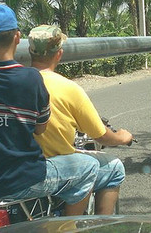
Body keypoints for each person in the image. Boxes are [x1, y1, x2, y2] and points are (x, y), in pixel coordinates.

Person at [0, 4, 100, 216]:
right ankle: (70, 227)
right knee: (89, 167)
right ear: (17, 37)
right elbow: (40, 129)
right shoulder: (30, 79)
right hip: (22, 178)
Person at [28, 24, 134, 215]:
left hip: (24, 165)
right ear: (59, 54)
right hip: (55, 164)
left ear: (30, 51)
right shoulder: (68, 88)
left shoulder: (17, 82)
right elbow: (101, 136)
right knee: (115, 169)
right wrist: (123, 137)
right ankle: (101, 227)